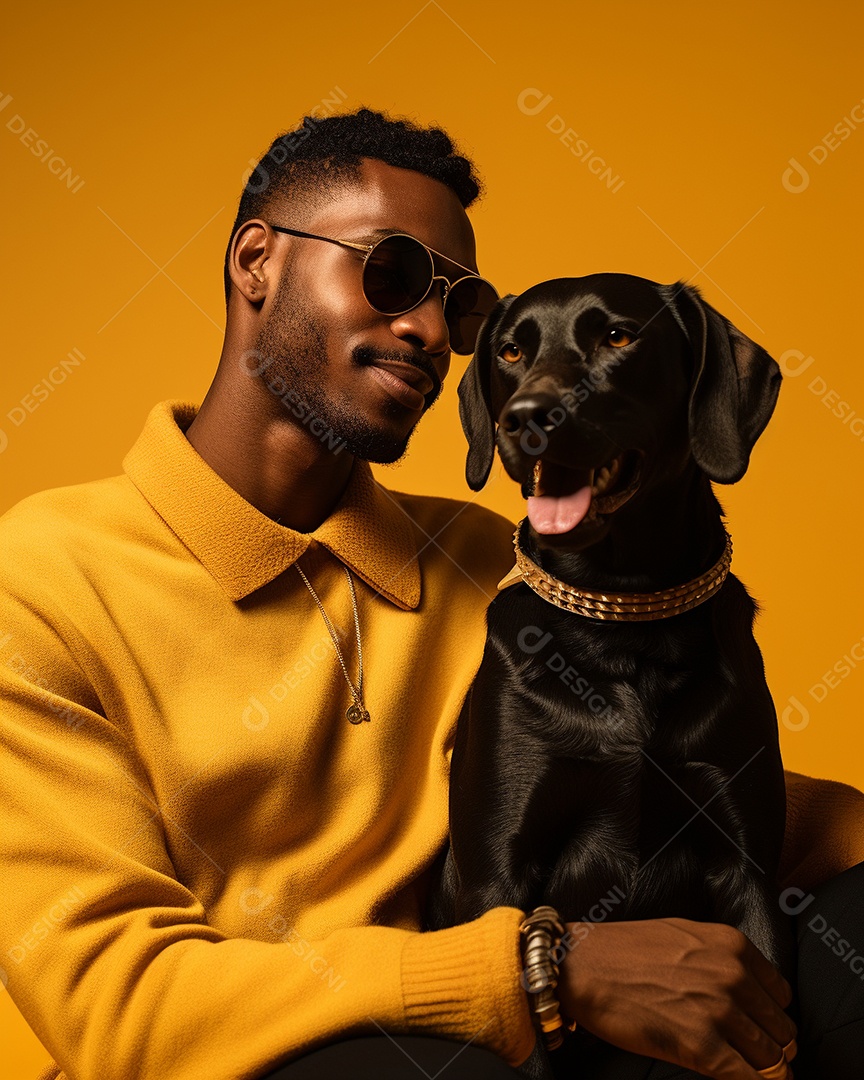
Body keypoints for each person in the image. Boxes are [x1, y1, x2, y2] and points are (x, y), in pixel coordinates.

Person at [1, 107, 861, 1080]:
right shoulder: (40, 582)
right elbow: (114, 1003)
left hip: (496, 1026)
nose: (427, 330)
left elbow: (656, 787)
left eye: (460, 306)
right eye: (393, 273)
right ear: (256, 262)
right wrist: (539, 970)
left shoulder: (492, 558)